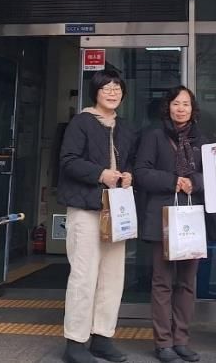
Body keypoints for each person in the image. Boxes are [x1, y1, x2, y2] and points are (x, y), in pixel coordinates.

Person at [58, 70, 137, 363]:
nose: (112, 92)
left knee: (113, 277)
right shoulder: (81, 122)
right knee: (84, 275)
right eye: (106, 87)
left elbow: (131, 162)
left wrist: (129, 175)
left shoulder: (125, 127)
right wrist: (100, 174)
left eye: (117, 87)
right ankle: (75, 342)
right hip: (86, 209)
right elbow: (68, 161)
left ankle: (102, 337)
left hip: (116, 209)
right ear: (96, 92)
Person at [135, 86, 206, 363]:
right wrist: (173, 181)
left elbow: (211, 174)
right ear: (168, 107)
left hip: (191, 217)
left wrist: (194, 182)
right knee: (162, 282)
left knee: (187, 283)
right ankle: (163, 342)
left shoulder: (201, 139)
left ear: (192, 108)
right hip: (161, 217)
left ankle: (181, 340)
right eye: (176, 103)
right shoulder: (153, 136)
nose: (181, 108)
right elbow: (142, 173)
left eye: (186, 104)